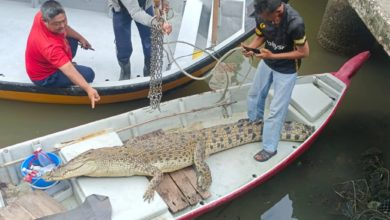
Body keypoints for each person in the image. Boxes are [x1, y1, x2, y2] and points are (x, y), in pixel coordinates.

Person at [241, 0, 309, 162]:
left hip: (286, 69)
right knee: (255, 94)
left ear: (278, 12)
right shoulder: (261, 15)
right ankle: (254, 121)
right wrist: (251, 48)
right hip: (267, 61)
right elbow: (261, 36)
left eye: (267, 18)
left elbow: (304, 52)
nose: (263, 19)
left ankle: (270, 147)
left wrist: (273, 56)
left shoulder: (295, 23)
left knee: (276, 110)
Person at [25, 0, 100, 108]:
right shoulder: (49, 46)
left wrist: (81, 38)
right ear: (45, 21)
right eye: (56, 24)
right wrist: (88, 89)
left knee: (73, 40)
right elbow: (69, 70)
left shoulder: (42, 14)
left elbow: (64, 28)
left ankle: (61, 63)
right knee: (89, 74)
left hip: (44, 60)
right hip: (45, 76)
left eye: (64, 20)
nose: (62, 25)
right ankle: (60, 66)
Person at [108, 0, 172, 80]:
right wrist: (157, 23)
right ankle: (125, 70)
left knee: (150, 42)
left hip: (145, 5)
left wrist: (164, 2)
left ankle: (149, 70)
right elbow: (136, 13)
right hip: (120, 9)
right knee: (123, 46)